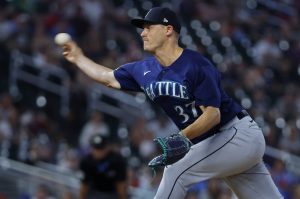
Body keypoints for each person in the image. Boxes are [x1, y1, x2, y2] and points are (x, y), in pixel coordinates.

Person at [61, 6, 283, 199]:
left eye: (149, 27)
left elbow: (213, 115)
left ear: (168, 30)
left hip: (236, 133)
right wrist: (79, 58)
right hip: (218, 145)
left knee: (176, 170)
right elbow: (107, 77)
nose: (143, 33)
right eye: (142, 28)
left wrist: (182, 137)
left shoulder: (196, 64)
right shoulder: (144, 69)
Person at [79, 134, 127, 199]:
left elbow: (121, 186)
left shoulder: (116, 160)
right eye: (95, 148)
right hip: (93, 193)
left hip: (111, 194)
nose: (97, 152)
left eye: (100, 149)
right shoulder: (87, 162)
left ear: (107, 147)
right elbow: (84, 185)